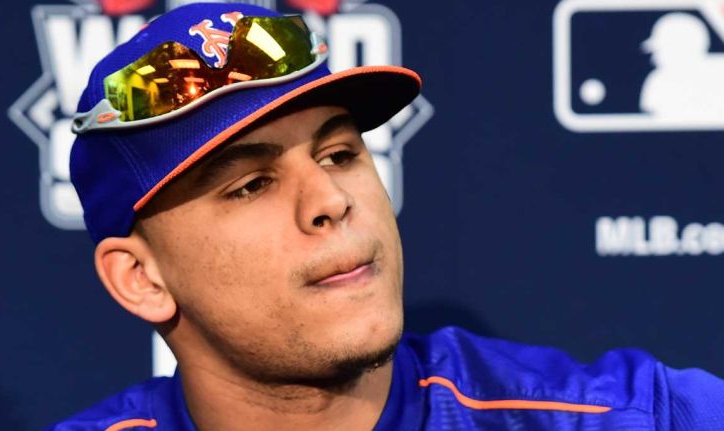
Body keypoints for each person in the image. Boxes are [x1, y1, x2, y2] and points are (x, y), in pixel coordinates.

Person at [51, 3, 724, 430]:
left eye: (340, 153)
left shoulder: (622, 417)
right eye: (252, 185)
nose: (331, 200)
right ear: (139, 277)